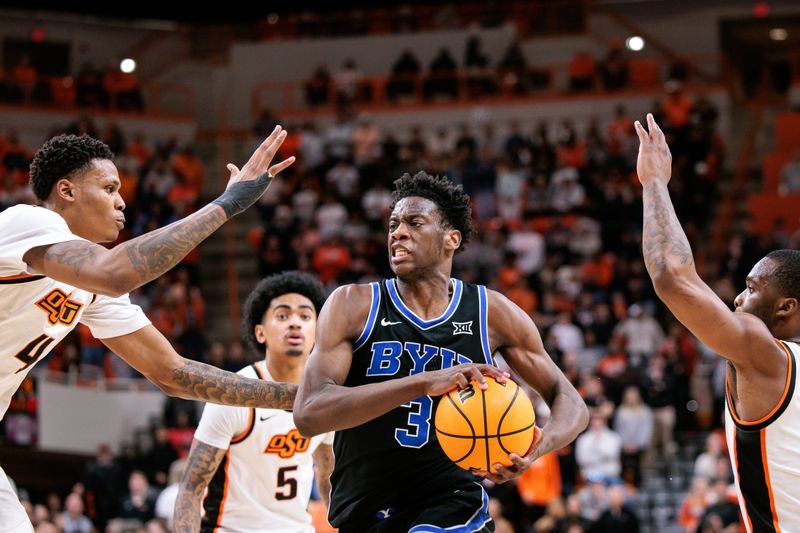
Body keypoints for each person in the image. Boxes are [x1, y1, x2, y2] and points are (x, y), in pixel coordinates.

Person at [0, 128, 296, 533]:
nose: (121, 201)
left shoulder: (90, 287)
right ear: (66, 191)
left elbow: (172, 372)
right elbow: (115, 272)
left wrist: (291, 396)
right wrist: (227, 204)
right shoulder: (27, 221)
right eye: (109, 188)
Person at [293, 172, 589, 532]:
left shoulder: (490, 312)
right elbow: (309, 413)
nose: (398, 233)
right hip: (364, 509)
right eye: (393, 225)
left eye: (415, 223)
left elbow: (571, 403)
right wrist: (422, 383)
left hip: (453, 503)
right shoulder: (353, 304)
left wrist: (535, 449)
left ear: (452, 239)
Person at [636, 112, 800, 531]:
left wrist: (653, 182)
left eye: (751, 288)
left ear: (785, 307)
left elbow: (671, 277)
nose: (738, 299)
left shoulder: (768, 358)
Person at [173, 271, 334, 533]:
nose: (295, 323)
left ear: (318, 331)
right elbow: (191, 488)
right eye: (282, 316)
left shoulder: (325, 397)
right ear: (260, 332)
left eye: (305, 316)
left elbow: (328, 481)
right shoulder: (233, 395)